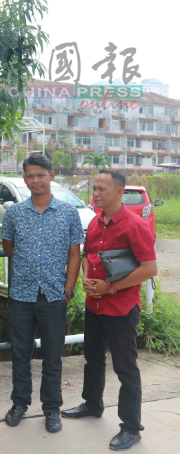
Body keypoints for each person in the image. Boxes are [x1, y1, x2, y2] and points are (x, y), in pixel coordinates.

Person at [62, 170, 157, 451]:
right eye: (94, 188)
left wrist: (110, 288)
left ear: (119, 192)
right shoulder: (94, 223)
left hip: (121, 308)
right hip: (95, 305)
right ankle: (93, 405)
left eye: (102, 189)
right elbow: (89, 256)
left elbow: (149, 269)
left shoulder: (135, 226)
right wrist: (88, 281)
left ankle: (131, 428)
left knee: (125, 368)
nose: (96, 193)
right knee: (92, 359)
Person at [0, 154, 84, 434]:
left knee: (52, 356)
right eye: (30, 176)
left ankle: (51, 409)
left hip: (54, 295)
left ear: (52, 175)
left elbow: (75, 254)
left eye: (40, 175)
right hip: (21, 295)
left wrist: (68, 290)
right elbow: (9, 247)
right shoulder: (14, 213)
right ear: (24, 178)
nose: (35, 180)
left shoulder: (68, 212)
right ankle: (19, 403)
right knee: (20, 354)